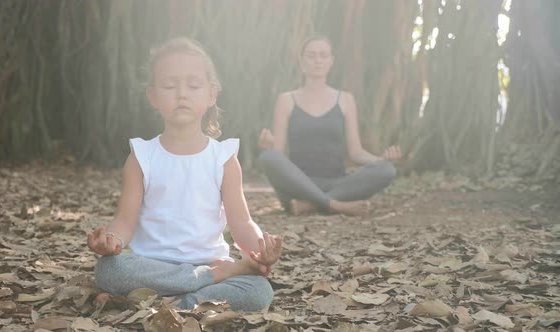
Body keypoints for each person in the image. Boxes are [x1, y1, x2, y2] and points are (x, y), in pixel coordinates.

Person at [87, 37, 282, 311]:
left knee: (258, 291)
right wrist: (111, 242)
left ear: (211, 94)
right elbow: (124, 222)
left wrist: (261, 248)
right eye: (169, 85)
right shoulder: (141, 156)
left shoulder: (223, 158)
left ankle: (170, 302)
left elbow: (241, 224)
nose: (182, 94)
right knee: (110, 269)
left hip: (207, 261)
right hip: (153, 266)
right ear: (153, 96)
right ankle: (201, 289)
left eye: (193, 85)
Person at [258, 36, 401, 216]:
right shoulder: (286, 100)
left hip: (337, 183)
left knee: (386, 170)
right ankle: (335, 205)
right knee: (267, 157)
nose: (318, 60)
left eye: (323, 55)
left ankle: (311, 205)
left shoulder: (346, 99)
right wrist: (269, 147)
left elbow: (356, 152)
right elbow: (277, 153)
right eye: (311, 55)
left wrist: (381, 160)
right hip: (298, 186)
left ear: (331, 61)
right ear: (302, 61)